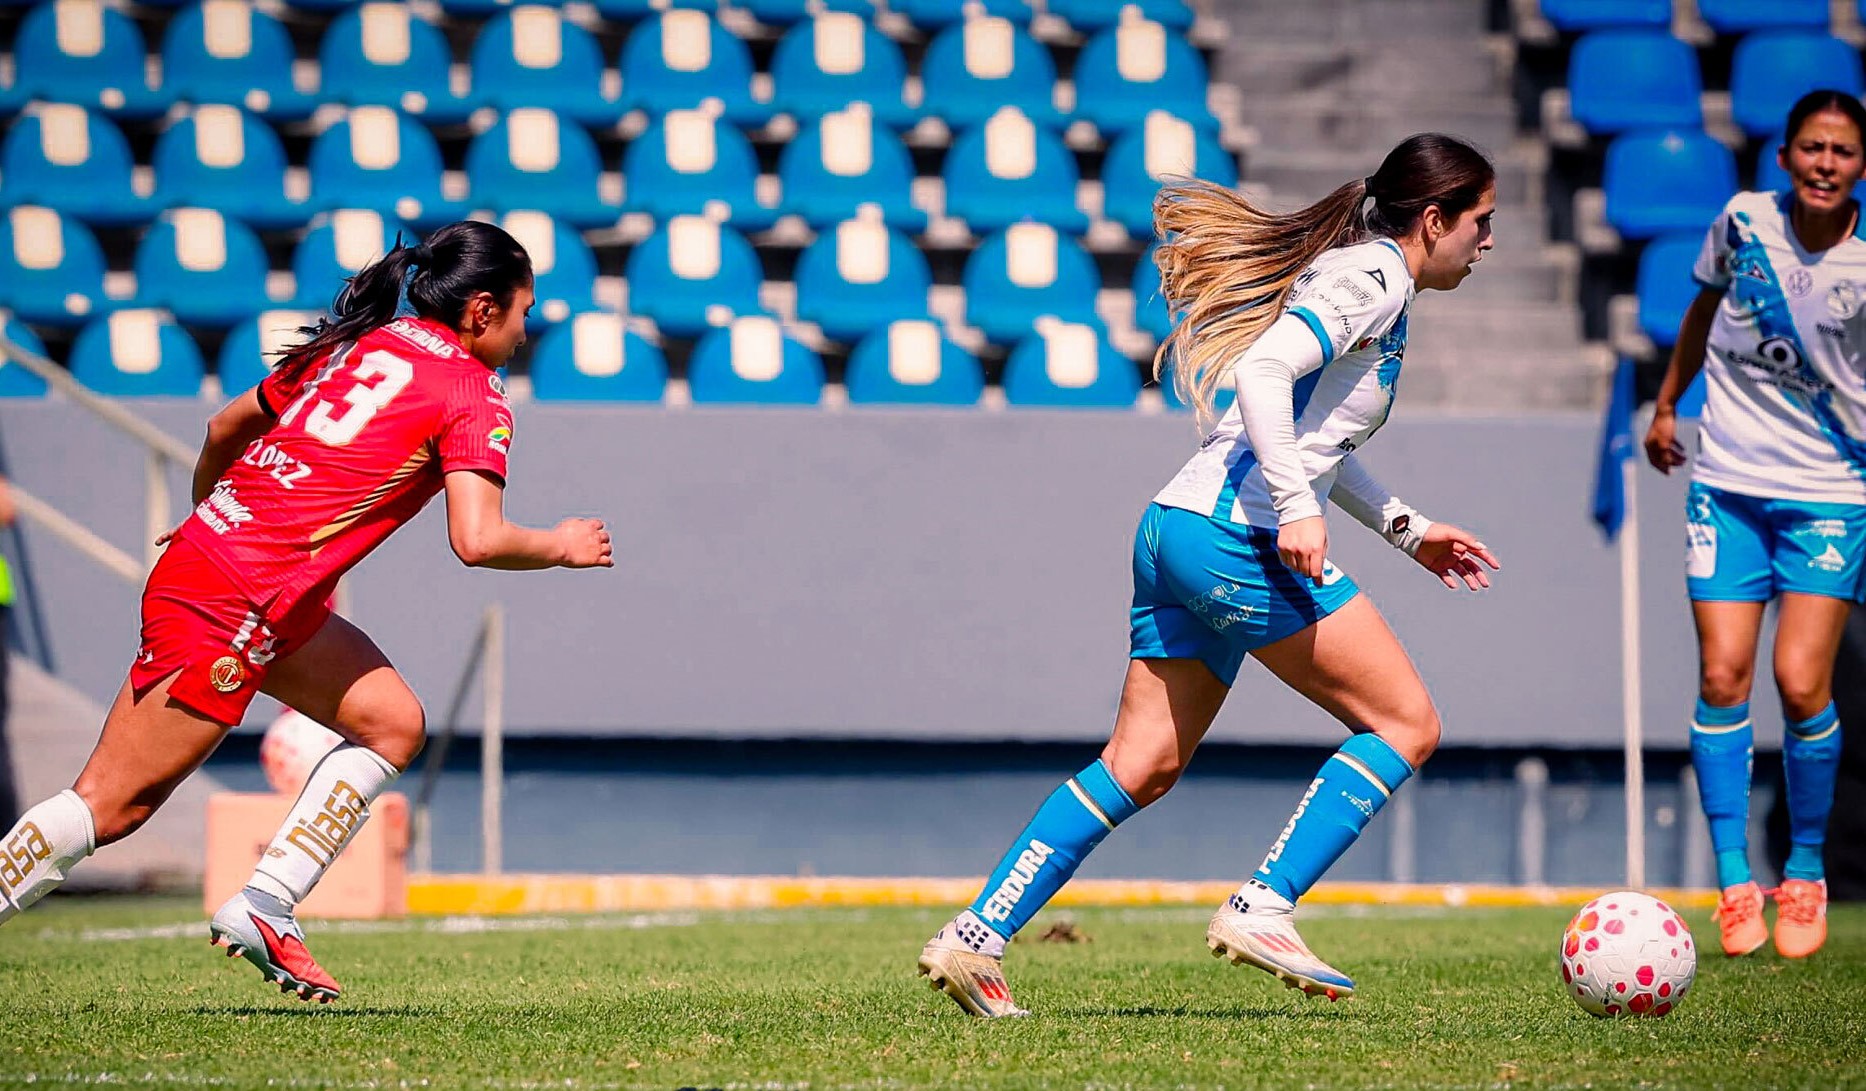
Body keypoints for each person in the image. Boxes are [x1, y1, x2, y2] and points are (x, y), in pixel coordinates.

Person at [917, 133, 1501, 1017]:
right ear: (1434, 218)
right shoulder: (1373, 278)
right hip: (1235, 535)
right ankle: (1264, 905)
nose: (1487, 241)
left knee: (1141, 763)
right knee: (1407, 722)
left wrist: (1404, 529)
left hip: (1176, 529)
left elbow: (1316, 442)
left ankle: (976, 935)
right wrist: (1293, 508)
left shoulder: (1372, 282)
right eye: (1481, 221)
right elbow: (1263, 375)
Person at [0, 221, 613, 1001]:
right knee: (111, 804)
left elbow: (225, 426)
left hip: (237, 576)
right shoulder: (471, 390)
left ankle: (265, 903)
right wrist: (560, 544)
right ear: (483, 309)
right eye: (526, 312)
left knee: (392, 720)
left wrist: (214, 518)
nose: (527, 333)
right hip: (239, 595)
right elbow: (477, 537)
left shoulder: (360, 344)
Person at [1643, 89, 1866, 961]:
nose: (1824, 163)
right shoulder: (1741, 224)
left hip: (1829, 492)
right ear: (1783, 157)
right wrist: (1668, 405)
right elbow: (1701, 313)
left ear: (1860, 168)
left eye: (1842, 152)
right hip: (1727, 482)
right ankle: (1737, 882)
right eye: (1810, 147)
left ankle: (1803, 872)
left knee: (1802, 682)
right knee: (1724, 674)